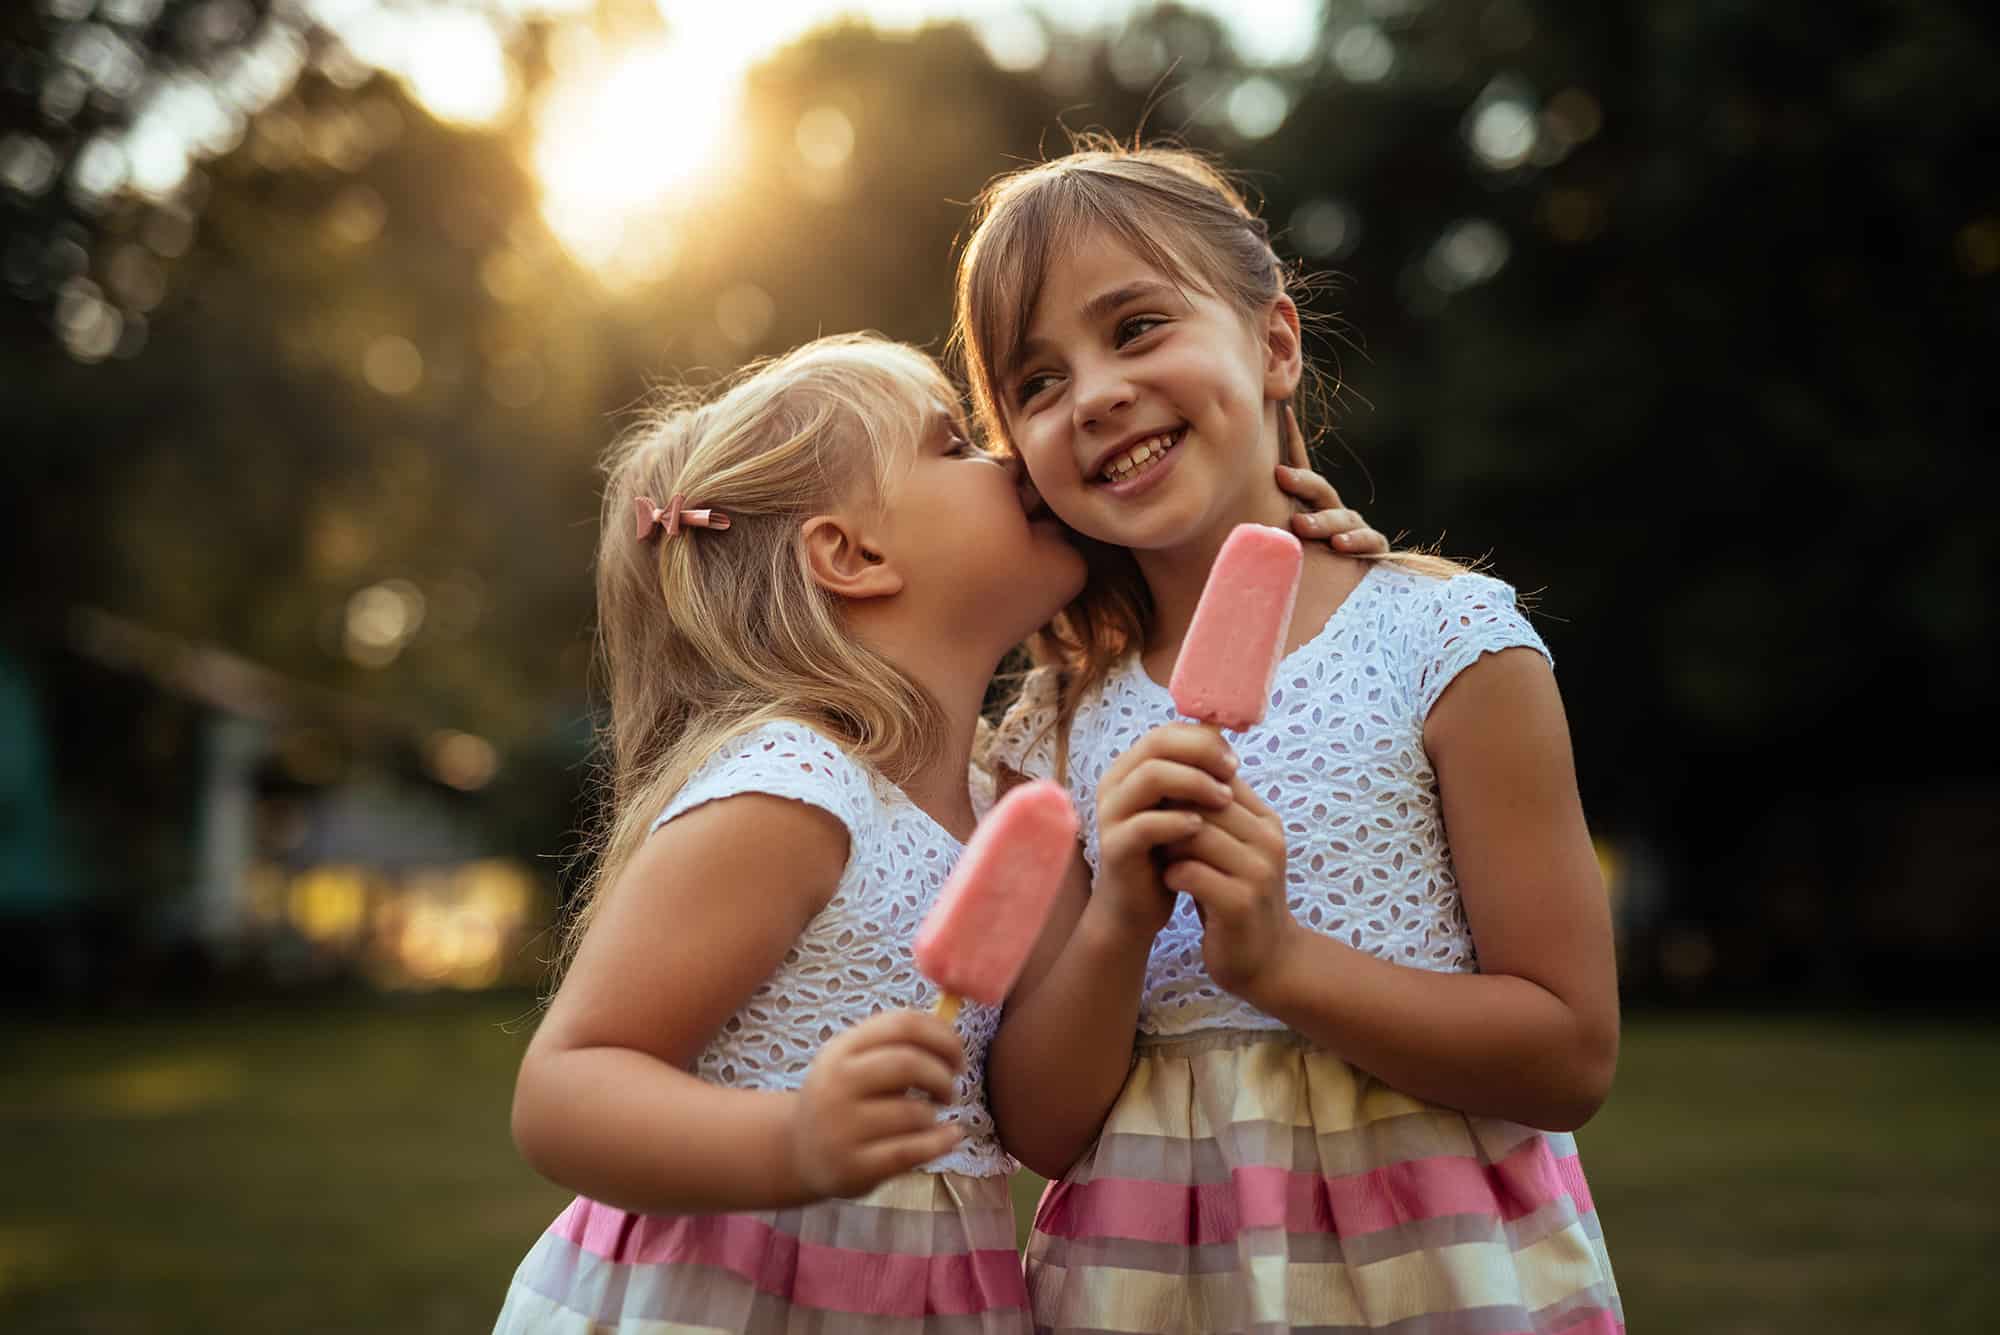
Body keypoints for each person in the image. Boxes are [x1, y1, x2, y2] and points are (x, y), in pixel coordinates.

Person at [491, 332, 1386, 1332]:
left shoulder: (1007, 810)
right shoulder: (792, 794)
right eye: (954, 444)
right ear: (851, 555)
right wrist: (793, 1141)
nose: (1010, 461)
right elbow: (565, 1089)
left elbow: (1050, 1122)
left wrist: (1126, 912)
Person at [954, 142, 1626, 1333]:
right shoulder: (1049, 732)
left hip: (1433, 1275)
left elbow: (1568, 1055)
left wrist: (1276, 967)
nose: (1096, 391)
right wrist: (1118, 916)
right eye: (1036, 382)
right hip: (1144, 1285)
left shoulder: (1445, 644)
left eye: (1137, 326)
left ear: (1272, 344)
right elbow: (1041, 1130)